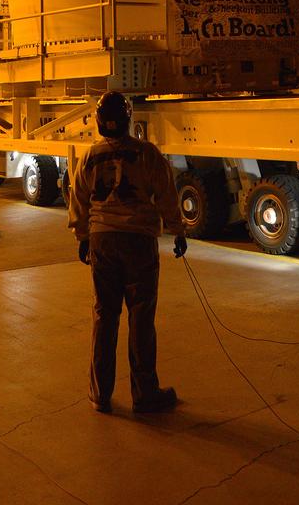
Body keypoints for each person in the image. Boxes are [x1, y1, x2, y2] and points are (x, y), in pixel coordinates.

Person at [68, 90, 188, 415]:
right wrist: (178, 230)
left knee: (104, 316)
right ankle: (144, 393)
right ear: (128, 118)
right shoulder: (147, 154)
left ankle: (99, 394)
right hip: (139, 242)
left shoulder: (90, 156)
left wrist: (83, 236)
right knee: (141, 317)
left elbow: (78, 197)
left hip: (102, 240)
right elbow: (166, 194)